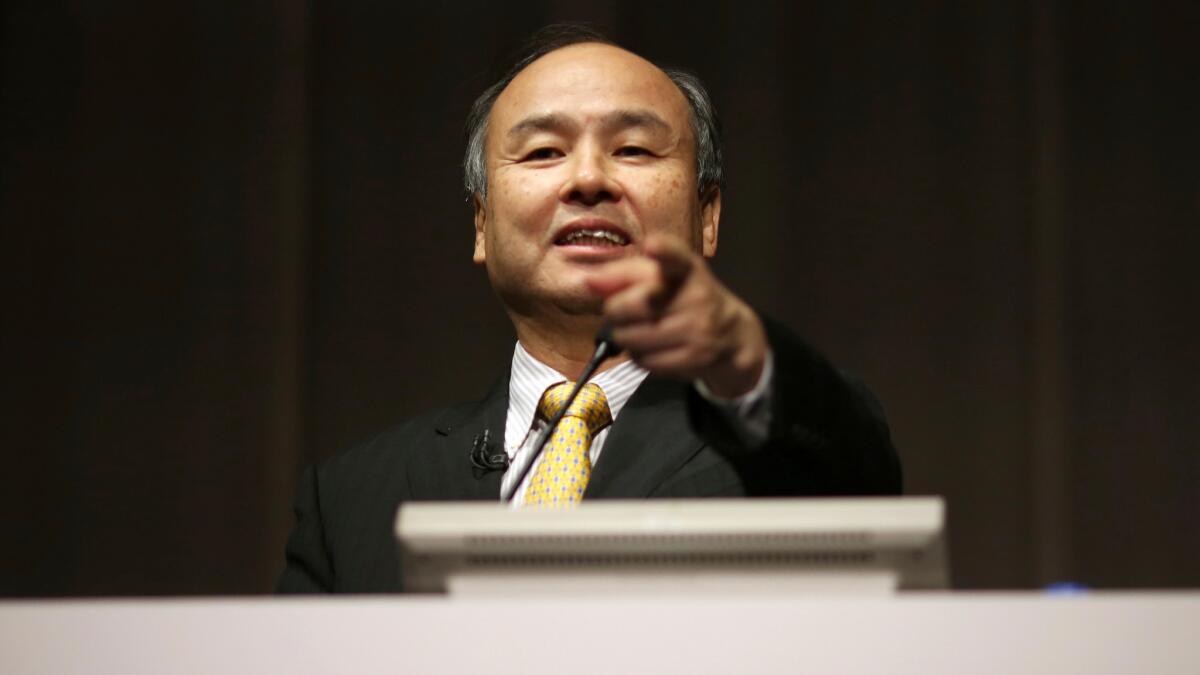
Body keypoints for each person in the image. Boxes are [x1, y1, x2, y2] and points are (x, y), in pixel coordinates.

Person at [277, 25, 901, 593]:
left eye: (632, 150)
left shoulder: (781, 437)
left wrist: (747, 360)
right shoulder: (350, 498)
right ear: (482, 225)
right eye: (544, 152)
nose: (588, 179)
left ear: (707, 216)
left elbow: (858, 470)